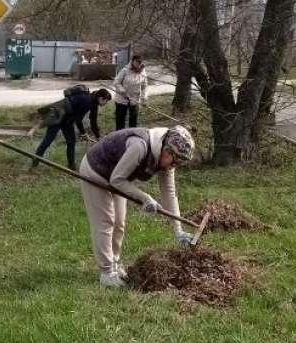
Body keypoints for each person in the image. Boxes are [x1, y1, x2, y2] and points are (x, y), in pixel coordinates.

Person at [78, 125, 195, 288]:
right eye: (174, 160)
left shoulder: (167, 159)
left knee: (119, 223)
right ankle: (106, 273)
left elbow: (169, 192)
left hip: (118, 176)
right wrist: (145, 198)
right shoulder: (139, 146)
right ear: (166, 150)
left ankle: (115, 265)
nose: (173, 166)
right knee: (105, 222)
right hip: (96, 171)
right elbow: (117, 180)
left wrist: (178, 230)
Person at [31, 87, 112, 171]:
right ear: (101, 98)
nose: (106, 103)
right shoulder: (87, 101)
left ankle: (71, 167)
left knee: (71, 142)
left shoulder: (94, 103)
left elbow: (93, 121)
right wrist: (84, 134)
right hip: (58, 115)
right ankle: (34, 163)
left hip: (68, 120)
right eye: (106, 101)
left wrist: (98, 137)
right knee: (47, 141)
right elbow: (78, 120)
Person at [112, 55, 149, 130]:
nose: (138, 64)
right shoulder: (125, 70)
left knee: (133, 120)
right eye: (137, 61)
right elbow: (116, 82)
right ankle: (119, 136)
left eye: (140, 62)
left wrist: (144, 98)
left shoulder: (143, 72)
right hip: (122, 99)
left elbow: (145, 86)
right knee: (120, 120)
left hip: (135, 100)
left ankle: (132, 135)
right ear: (133, 61)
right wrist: (122, 91)